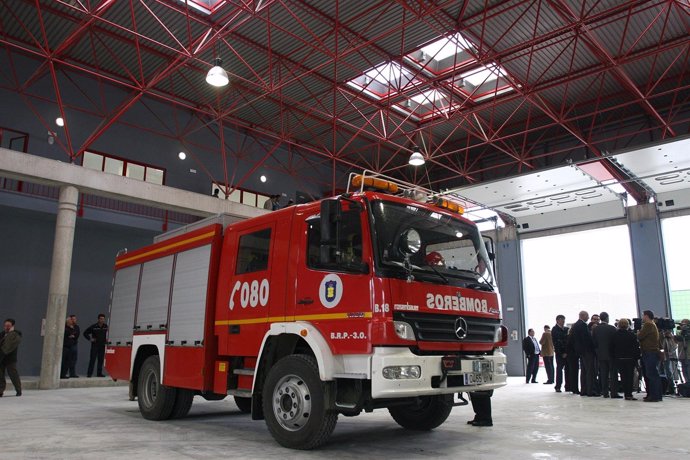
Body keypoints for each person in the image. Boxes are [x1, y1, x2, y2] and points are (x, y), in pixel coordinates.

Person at [612, 318, 641, 400]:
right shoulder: (631, 335)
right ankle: (629, 393)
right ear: (628, 325)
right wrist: (637, 357)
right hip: (630, 359)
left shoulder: (615, 335)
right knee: (630, 376)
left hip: (620, 358)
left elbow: (612, 347)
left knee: (623, 376)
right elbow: (636, 347)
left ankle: (625, 393)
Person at [637, 309, 662, 402]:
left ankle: (654, 396)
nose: (642, 317)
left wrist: (638, 332)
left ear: (646, 316)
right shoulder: (653, 324)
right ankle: (656, 394)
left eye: (643, 315)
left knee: (651, 374)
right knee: (653, 374)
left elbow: (639, 336)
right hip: (652, 352)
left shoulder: (648, 325)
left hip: (649, 352)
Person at [592, 312, 618, 398]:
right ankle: (614, 393)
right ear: (607, 318)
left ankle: (605, 392)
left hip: (601, 355)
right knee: (613, 374)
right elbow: (615, 342)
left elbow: (594, 343)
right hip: (611, 354)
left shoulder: (596, 329)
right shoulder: (612, 328)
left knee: (603, 374)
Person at [572, 310, 597, 396]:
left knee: (584, 371)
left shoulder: (576, 325)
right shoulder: (582, 325)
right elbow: (586, 339)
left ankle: (584, 390)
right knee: (589, 371)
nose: (588, 318)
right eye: (587, 316)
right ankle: (590, 391)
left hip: (581, 352)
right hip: (587, 351)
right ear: (583, 316)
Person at [0, 318, 22, 397]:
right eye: (5, 325)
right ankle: (0, 390)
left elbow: (8, 347)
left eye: (8, 325)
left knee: (13, 375)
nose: (6, 327)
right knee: (0, 375)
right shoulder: (2, 334)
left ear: (12, 326)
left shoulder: (15, 335)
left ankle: (18, 390)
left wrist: (2, 353)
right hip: (2, 358)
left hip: (10, 359)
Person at [83, 314, 108, 378]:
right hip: (95, 346)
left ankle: (99, 373)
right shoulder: (94, 326)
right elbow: (85, 333)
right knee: (92, 360)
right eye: (101, 319)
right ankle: (89, 374)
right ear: (98, 319)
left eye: (103, 319)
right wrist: (90, 339)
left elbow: (109, 334)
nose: (102, 320)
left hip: (102, 346)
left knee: (100, 360)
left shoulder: (106, 326)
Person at [552, 314, 569, 393]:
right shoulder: (555, 330)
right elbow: (557, 343)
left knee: (567, 370)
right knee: (559, 370)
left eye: (564, 320)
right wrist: (562, 352)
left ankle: (568, 386)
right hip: (560, 353)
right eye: (562, 320)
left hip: (567, 353)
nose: (563, 322)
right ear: (557, 320)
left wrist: (567, 351)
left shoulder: (566, 329)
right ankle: (558, 386)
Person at [61, 314, 80, 379]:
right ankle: (62, 374)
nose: (73, 321)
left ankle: (72, 373)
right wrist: (71, 335)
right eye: (72, 320)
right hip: (66, 346)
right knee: (64, 360)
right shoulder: (65, 327)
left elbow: (76, 335)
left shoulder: (76, 327)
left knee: (72, 360)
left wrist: (72, 336)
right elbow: (67, 335)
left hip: (74, 344)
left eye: (75, 319)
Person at [659, 328, 678, 395]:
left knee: (668, 371)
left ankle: (671, 388)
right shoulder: (660, 335)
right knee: (661, 371)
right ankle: (663, 388)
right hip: (661, 356)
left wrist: (669, 337)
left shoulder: (670, 337)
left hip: (668, 356)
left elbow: (673, 347)